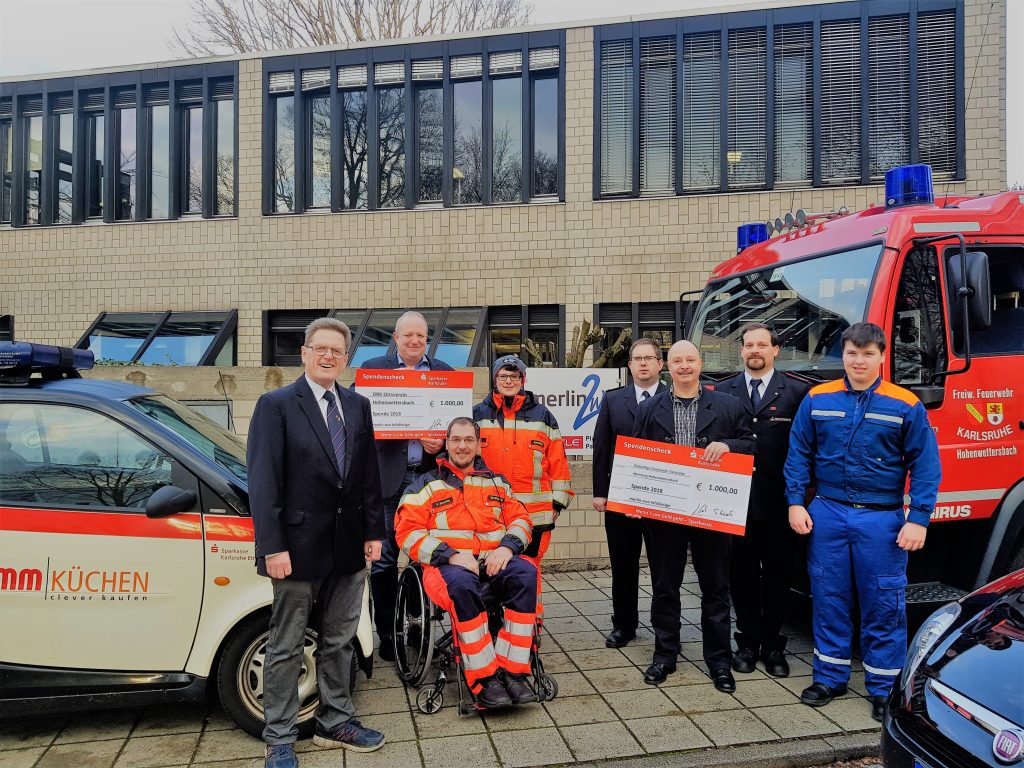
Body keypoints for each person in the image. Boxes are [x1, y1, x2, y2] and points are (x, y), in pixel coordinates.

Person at [248, 318, 387, 768]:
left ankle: (336, 721)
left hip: (348, 546)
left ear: (346, 359)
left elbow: (367, 478)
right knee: (286, 644)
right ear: (304, 353)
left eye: (337, 351)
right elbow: (264, 482)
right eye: (320, 348)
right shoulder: (277, 405)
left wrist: (373, 533)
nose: (329, 356)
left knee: (340, 639)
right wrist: (271, 547)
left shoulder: (358, 405)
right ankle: (280, 737)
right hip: (296, 547)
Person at [785, 322, 940, 722]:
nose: (859, 361)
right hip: (828, 513)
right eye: (852, 353)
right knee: (829, 596)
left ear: (882, 356)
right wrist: (795, 503)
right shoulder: (818, 399)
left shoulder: (905, 404)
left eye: (868, 354)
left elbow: (925, 466)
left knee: (883, 602)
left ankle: (884, 686)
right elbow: (799, 453)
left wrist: (918, 518)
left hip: (882, 518)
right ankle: (830, 677)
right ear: (845, 355)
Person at [631, 340, 753, 691]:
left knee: (716, 587)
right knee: (664, 586)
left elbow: (751, 443)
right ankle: (664, 655)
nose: (684, 366)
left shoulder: (728, 406)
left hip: (711, 511)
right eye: (677, 360)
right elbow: (637, 457)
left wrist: (729, 446)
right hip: (666, 513)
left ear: (700, 363)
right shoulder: (651, 408)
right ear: (667, 366)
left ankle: (719, 661)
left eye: (690, 359)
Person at [395, 417, 538, 708]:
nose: (462, 446)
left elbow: (522, 519)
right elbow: (407, 533)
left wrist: (507, 549)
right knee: (461, 584)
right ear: (446, 444)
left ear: (477, 443)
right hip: (445, 567)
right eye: (456, 440)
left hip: (494, 561)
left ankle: (513, 671)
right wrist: (451, 555)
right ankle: (483, 678)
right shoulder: (425, 485)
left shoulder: (497, 482)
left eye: (468, 440)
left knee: (525, 572)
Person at [716, 323, 810, 678]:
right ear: (741, 351)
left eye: (762, 344)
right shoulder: (723, 391)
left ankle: (773, 645)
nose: (754, 350)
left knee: (777, 576)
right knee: (739, 576)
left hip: (780, 501)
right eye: (748, 345)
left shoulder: (798, 392)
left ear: (775, 350)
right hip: (734, 503)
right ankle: (747, 641)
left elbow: (805, 449)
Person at [360, 310, 454, 661]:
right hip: (387, 479)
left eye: (421, 336)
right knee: (384, 562)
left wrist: (440, 442)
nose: (415, 341)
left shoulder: (444, 373)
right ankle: (387, 632)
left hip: (428, 479)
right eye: (408, 335)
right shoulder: (374, 369)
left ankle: (416, 628)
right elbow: (359, 420)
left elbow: (457, 426)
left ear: (427, 338)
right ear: (396, 337)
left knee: (422, 557)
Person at [473, 355, 574, 616]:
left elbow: (558, 464)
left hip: (535, 516)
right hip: (489, 515)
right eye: (503, 376)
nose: (509, 381)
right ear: (494, 380)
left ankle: (530, 627)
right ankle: (492, 622)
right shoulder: (477, 415)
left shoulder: (543, 416)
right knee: (488, 570)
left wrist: (557, 505)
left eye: (514, 376)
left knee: (529, 571)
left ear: (523, 380)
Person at [591, 338, 666, 648]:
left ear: (661, 364)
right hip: (621, 497)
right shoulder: (612, 400)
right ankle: (624, 625)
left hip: (663, 498)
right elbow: (602, 447)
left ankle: (664, 627)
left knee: (664, 567)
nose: (644, 363)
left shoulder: (675, 396)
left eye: (650, 358)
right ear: (630, 365)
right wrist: (600, 492)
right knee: (623, 565)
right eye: (638, 358)